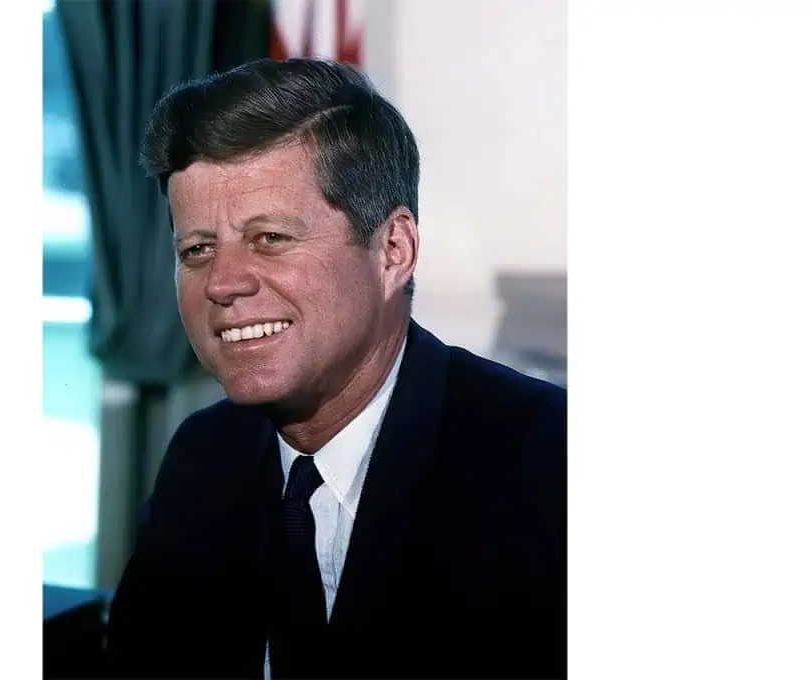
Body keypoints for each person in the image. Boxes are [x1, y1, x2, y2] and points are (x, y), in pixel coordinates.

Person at [105, 58, 566, 680]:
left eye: (270, 238)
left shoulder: (549, 464)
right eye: (198, 248)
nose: (222, 282)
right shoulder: (204, 456)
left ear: (393, 250)